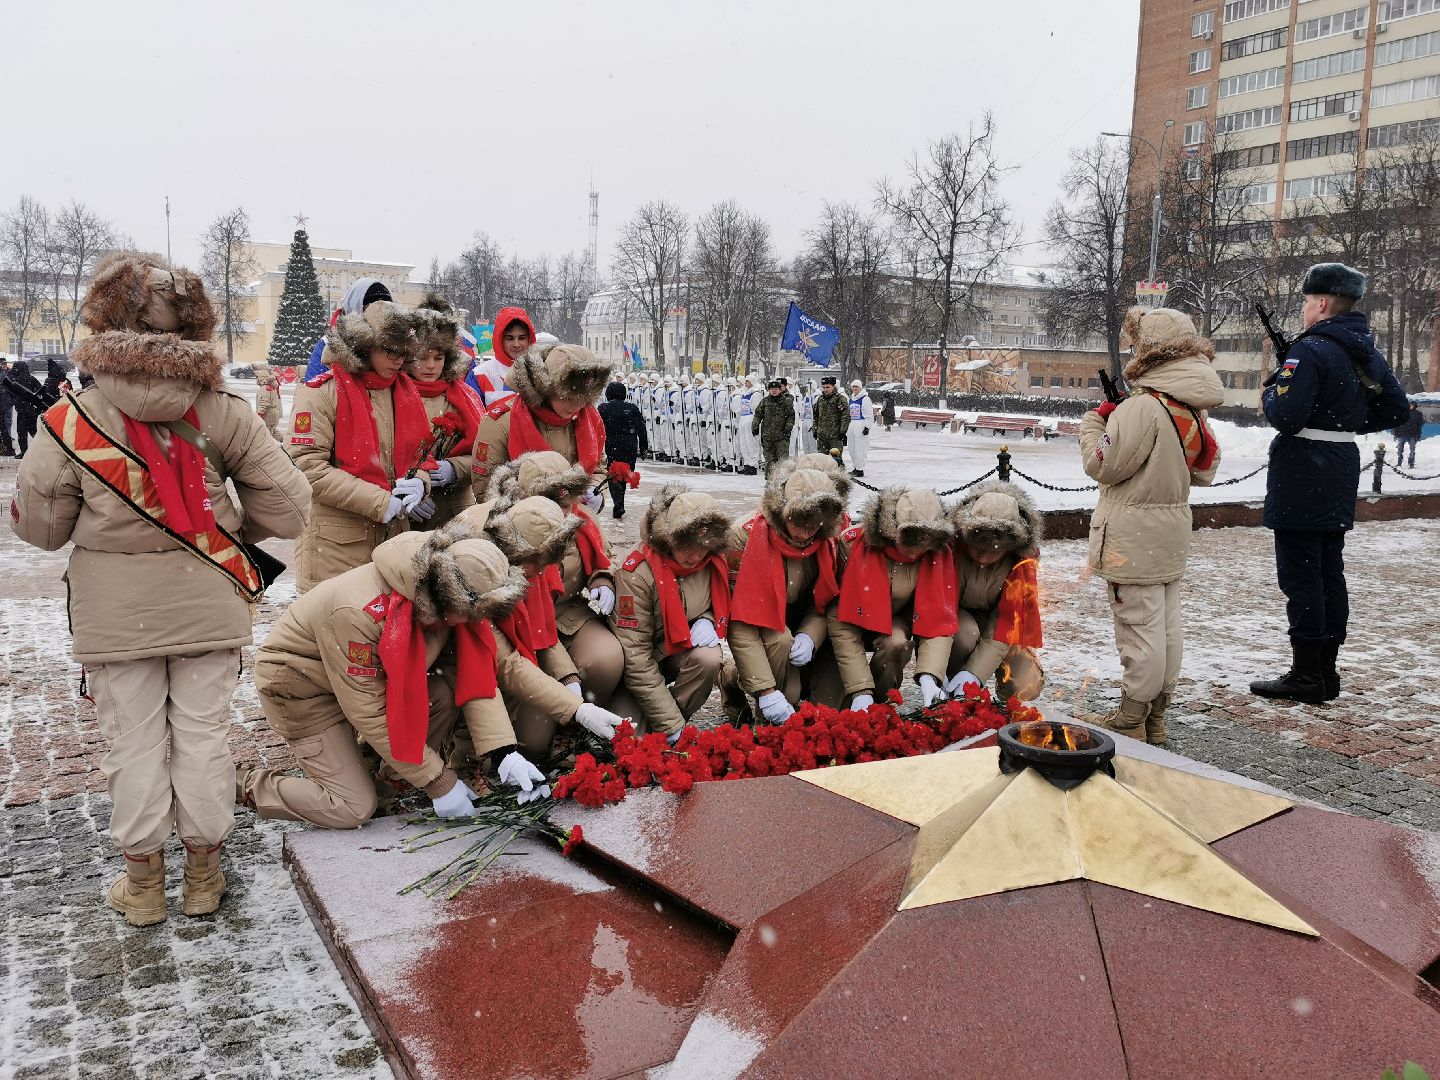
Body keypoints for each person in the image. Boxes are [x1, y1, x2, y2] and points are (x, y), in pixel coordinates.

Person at [12, 252, 311, 924]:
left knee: (133, 743)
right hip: (208, 598)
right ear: (194, 328)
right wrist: (226, 521)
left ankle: (144, 888)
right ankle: (204, 877)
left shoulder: (70, 420)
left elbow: (41, 529)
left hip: (116, 618)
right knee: (204, 738)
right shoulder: (223, 410)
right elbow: (292, 510)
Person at [243, 527, 536, 828]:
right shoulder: (356, 613)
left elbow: (472, 677)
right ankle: (241, 784)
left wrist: (503, 751)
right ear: (452, 597)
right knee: (351, 808)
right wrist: (438, 781)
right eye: (476, 613)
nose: (480, 621)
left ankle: (384, 778)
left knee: (442, 695)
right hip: (303, 689)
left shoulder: (445, 585)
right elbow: (370, 712)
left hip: (361, 682)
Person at [1250, 263, 1409, 704]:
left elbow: (1285, 415)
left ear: (1321, 303)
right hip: (1338, 465)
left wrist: (1271, 389)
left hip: (1303, 469)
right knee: (1328, 571)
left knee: (1301, 575)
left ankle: (1306, 676)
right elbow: (1396, 409)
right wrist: (1348, 423)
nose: (1304, 309)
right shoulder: (1364, 350)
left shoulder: (1312, 349)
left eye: (1306, 301)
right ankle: (1326, 670)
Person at [1079, 307, 1224, 743]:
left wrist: (1095, 423)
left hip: (1131, 536)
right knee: (1165, 629)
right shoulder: (1191, 409)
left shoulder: (1144, 406)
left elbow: (1101, 464)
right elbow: (1205, 470)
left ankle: (1131, 717)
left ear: (1150, 351)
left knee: (1139, 630)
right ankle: (1156, 716)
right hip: (1170, 530)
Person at [455, 498, 628, 766]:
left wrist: (569, 682)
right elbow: (504, 662)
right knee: (527, 742)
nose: (545, 571)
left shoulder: (527, 563)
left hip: (545, 635)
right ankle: (467, 759)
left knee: (534, 745)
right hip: (461, 664)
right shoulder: (482, 570)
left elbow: (539, 627)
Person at [288, 300, 432, 593]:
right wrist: (380, 502)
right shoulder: (320, 394)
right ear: (365, 345)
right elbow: (307, 469)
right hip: (336, 546)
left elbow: (422, 455)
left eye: (404, 353)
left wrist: (421, 482)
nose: (398, 361)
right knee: (336, 628)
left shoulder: (405, 392)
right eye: (391, 351)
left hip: (392, 543)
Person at [485, 451, 630, 712]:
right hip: (521, 624)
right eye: (551, 502)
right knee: (535, 740)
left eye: (566, 504)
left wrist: (602, 579)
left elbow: (605, 558)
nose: (562, 514)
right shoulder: (501, 526)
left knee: (605, 660)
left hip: (567, 615)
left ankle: (582, 715)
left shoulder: (583, 518)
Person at [729, 458, 850, 722]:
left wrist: (810, 635)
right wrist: (766, 689)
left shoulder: (829, 538)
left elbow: (828, 600)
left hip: (804, 619)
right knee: (787, 697)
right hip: (766, 622)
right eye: (798, 522)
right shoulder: (745, 536)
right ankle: (731, 677)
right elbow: (740, 619)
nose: (805, 534)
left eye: (814, 525)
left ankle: (806, 682)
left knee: (829, 710)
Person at [611, 485, 736, 736]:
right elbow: (635, 659)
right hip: (633, 667)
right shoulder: (636, 574)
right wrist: (672, 726)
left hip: (672, 653)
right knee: (629, 739)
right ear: (670, 538)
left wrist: (707, 620)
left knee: (709, 658)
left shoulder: (711, 561)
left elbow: (715, 604)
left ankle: (670, 719)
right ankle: (663, 721)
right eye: (687, 547)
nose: (695, 557)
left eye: (703, 547)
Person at [829, 486, 958, 708]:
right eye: (910, 540)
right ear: (892, 529)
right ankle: (860, 696)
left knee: (896, 644)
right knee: (830, 704)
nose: (917, 551)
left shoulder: (938, 554)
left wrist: (930, 674)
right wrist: (860, 689)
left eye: (925, 544)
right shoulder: (853, 546)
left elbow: (938, 617)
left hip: (896, 619)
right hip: (851, 621)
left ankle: (879, 703)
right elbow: (838, 616)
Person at [470, 342, 613, 502]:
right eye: (567, 396)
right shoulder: (502, 422)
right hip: (521, 521)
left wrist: (595, 491)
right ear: (547, 387)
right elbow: (486, 487)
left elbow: (597, 467)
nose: (577, 405)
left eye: (584, 397)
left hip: (578, 519)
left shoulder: (590, 419)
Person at [944, 482, 1046, 705]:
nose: (982, 558)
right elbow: (938, 611)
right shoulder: (950, 549)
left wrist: (974, 674)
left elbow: (1006, 623)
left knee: (1026, 682)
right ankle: (953, 690)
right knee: (965, 634)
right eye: (977, 548)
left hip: (999, 626)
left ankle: (1003, 701)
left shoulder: (1021, 564)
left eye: (993, 552)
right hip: (957, 622)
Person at [405, 295, 483, 529]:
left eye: (438, 358)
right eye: (422, 357)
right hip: (405, 514)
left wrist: (454, 468)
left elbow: (485, 456)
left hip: (456, 512)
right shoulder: (392, 394)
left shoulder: (465, 396)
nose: (431, 366)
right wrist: (406, 489)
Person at [304, 277, 392, 382]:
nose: (379, 315)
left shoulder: (397, 347)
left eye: (386, 310)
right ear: (356, 308)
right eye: (372, 308)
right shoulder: (329, 344)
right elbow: (314, 388)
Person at [597, 380, 646, 518]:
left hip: (611, 445)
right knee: (624, 473)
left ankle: (618, 504)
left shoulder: (603, 408)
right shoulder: (632, 408)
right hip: (629, 445)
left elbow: (597, 430)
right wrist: (644, 448)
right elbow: (641, 429)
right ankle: (620, 503)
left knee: (613, 474)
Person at [470, 306, 535, 407]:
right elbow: (473, 418)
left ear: (529, 339)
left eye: (522, 338)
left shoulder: (539, 372)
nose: (516, 344)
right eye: (510, 338)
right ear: (500, 339)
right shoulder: (480, 374)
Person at [752, 377, 796, 476]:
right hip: (768, 437)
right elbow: (758, 415)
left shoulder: (786, 401)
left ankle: (783, 480)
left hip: (782, 437)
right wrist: (755, 426)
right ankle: (769, 481)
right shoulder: (765, 401)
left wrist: (788, 429)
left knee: (783, 461)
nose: (774, 391)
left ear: (780, 390)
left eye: (776, 389)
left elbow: (791, 417)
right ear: (769, 390)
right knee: (769, 461)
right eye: (772, 389)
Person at [6, 360, 47, 455]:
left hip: (22, 410)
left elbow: (11, 394)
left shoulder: (16, 381)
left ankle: (24, 452)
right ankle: (43, 450)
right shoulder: (32, 379)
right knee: (34, 431)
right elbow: (41, 391)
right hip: (32, 410)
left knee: (21, 432)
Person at [812, 375, 850, 463]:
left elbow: (845, 416)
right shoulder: (820, 399)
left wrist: (842, 432)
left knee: (836, 461)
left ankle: (839, 476)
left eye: (828, 387)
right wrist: (815, 429)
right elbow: (816, 416)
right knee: (822, 461)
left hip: (835, 437)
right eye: (823, 387)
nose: (825, 389)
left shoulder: (840, 399)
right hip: (822, 437)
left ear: (834, 386)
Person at [846, 379, 874, 477]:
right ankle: (855, 467)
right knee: (852, 448)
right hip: (852, 425)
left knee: (860, 448)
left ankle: (860, 469)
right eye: (853, 387)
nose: (854, 389)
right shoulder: (851, 399)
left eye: (856, 387)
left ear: (860, 387)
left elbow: (869, 414)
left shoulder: (865, 399)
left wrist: (867, 427)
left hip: (860, 424)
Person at [253, 363, 284, 442]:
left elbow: (264, 403)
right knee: (273, 431)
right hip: (274, 413)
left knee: (265, 434)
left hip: (268, 414)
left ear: (260, 379)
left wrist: (259, 414)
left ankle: (268, 449)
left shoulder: (264, 389)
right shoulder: (272, 388)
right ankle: (284, 440)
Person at [1393, 400, 1423, 469]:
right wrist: (1396, 433)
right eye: (1410, 405)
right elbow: (1397, 423)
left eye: (1412, 405)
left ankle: (1411, 463)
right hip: (1402, 434)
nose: (1411, 406)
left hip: (1412, 434)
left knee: (1412, 450)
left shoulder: (1418, 414)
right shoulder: (1403, 412)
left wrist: (1418, 435)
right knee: (1400, 449)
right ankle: (1399, 463)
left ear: (1415, 406)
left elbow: (1419, 425)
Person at [0, 358, 15, 456]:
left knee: (8, 421)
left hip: (8, 401)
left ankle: (8, 438)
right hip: (2, 401)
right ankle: (5, 441)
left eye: (5, 363)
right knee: (4, 423)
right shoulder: (3, 374)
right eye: (2, 364)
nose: (5, 365)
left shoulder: (10, 373)